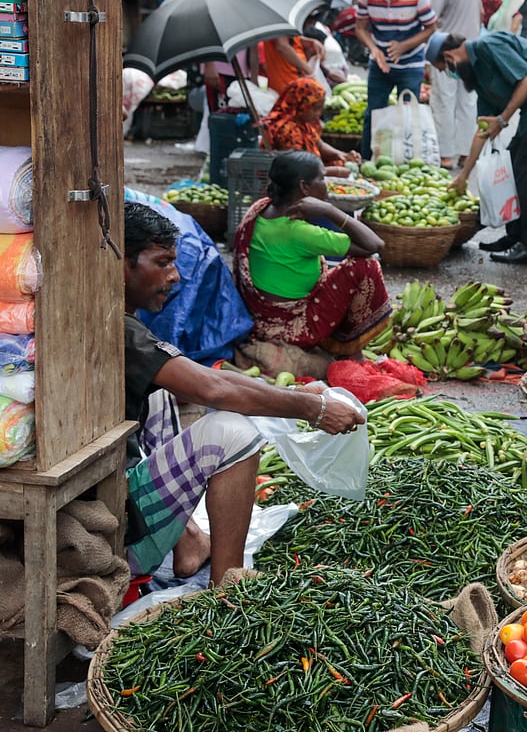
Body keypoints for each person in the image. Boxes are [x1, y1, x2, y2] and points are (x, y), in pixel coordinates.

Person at [124, 202, 364, 587]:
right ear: (122, 263)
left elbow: (205, 379)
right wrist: (311, 408)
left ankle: (187, 541)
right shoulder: (121, 332)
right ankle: (228, 589)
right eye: (163, 262)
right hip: (118, 537)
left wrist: (303, 400)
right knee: (234, 434)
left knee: (159, 394)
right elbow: (214, 388)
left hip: (116, 497)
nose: (176, 275)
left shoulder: (116, 319)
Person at [428, 31, 527, 274]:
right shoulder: (478, 75)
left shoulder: (489, 45)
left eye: (443, 68)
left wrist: (502, 119)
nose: (449, 74)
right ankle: (514, 236)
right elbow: (483, 129)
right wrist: (463, 176)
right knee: (512, 166)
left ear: (449, 56)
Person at [233, 151, 391, 356]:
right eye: (322, 178)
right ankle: (348, 347)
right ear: (304, 187)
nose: (326, 183)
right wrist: (329, 210)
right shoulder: (299, 232)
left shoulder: (260, 208)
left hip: (260, 318)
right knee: (366, 267)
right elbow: (374, 245)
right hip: (292, 328)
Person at [354, 0, 438, 158]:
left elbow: (430, 27)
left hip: (410, 65)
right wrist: (374, 49)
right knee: (373, 114)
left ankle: (409, 160)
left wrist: (403, 47)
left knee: (409, 117)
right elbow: (361, 27)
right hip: (379, 65)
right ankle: (368, 160)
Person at [414, 0, 482, 170]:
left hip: (445, 51)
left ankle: (445, 155)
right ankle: (465, 154)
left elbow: (430, 21)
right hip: (471, 50)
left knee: (444, 101)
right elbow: (480, 12)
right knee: (467, 102)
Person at [190, 0, 257, 111]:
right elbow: (198, 23)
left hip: (241, 63)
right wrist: (209, 64)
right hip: (218, 65)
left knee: (241, 116)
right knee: (222, 117)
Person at [261, 78, 361, 178]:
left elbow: (319, 145)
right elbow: (296, 169)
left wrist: (341, 155)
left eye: (321, 108)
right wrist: (332, 172)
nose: (319, 113)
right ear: (302, 105)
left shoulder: (303, 122)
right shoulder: (287, 130)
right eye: (315, 108)